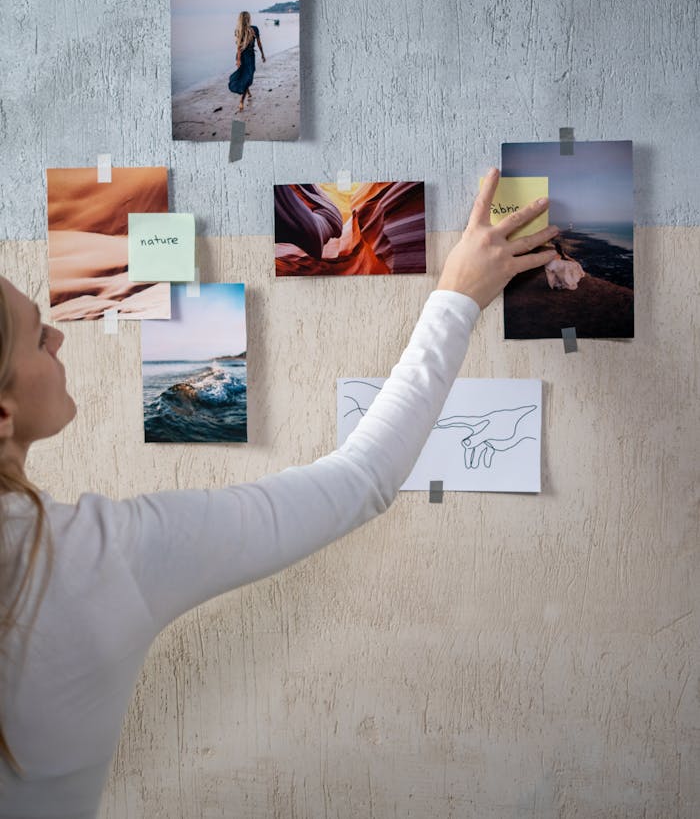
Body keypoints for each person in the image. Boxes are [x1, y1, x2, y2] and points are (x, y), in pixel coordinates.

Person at [0, 170, 557, 819]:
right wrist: (457, 298)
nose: (61, 336)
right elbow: (362, 478)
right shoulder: (95, 558)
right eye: (40, 336)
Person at [228, 11, 265, 111]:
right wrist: (262, 54)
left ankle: (248, 92)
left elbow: (257, 43)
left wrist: (262, 54)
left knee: (246, 76)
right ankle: (241, 102)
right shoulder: (240, 30)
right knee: (247, 77)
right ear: (248, 19)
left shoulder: (251, 29)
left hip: (245, 56)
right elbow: (240, 47)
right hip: (245, 57)